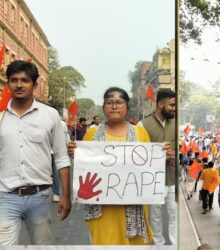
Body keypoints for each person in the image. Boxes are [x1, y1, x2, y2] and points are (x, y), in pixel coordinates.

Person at [68, 87, 154, 245]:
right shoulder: (91, 134)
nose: (114, 106)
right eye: (110, 102)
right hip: (103, 208)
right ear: (104, 108)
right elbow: (85, 169)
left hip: (133, 207)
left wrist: (164, 154)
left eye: (119, 102)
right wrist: (76, 155)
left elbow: (149, 167)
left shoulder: (141, 133)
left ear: (127, 107)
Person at [0, 60, 71, 245]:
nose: (19, 85)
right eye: (14, 80)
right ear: (8, 83)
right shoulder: (1, 117)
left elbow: (62, 158)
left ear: (35, 84)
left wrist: (65, 195)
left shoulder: (50, 115)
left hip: (40, 196)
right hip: (6, 196)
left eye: (25, 80)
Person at [139, 88, 176, 245]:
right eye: (171, 105)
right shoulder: (143, 125)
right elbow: (137, 154)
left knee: (174, 213)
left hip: (172, 178)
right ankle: (158, 244)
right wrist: (158, 154)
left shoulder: (176, 123)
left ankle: (175, 245)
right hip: (153, 179)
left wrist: (174, 154)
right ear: (161, 104)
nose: (174, 109)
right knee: (155, 214)